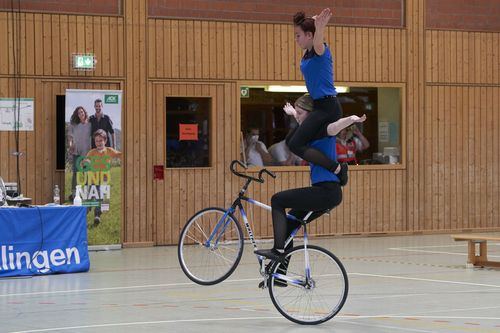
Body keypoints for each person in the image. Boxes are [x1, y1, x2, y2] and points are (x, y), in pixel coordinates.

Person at [255, 94, 366, 264]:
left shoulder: (324, 131)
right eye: (296, 113)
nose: (297, 117)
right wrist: (295, 115)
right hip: (324, 191)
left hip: (327, 191)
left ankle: (277, 250)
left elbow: (335, 126)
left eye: (300, 113)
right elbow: (296, 134)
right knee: (289, 223)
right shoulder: (308, 134)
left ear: (312, 115)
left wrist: (351, 119)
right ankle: (279, 274)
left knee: (277, 200)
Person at [285, 9, 346, 181]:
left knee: (297, 144)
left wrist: (320, 28)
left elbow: (318, 42)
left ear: (309, 35)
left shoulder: (321, 51)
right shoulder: (308, 54)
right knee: (290, 140)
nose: (295, 39)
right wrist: (310, 22)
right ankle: (334, 167)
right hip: (318, 106)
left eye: (298, 35)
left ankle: (337, 169)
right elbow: (312, 39)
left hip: (328, 108)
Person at [86, 129, 122, 226]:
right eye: (96, 141)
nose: (98, 143)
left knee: (100, 196)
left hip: (104, 179)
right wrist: (86, 162)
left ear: (105, 141)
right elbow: (85, 161)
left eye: (100, 141)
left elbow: (119, 155)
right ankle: (86, 210)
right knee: (91, 197)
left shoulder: (109, 150)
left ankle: (97, 215)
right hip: (93, 178)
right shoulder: (92, 152)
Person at [67, 106, 91, 201]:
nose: (81, 114)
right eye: (79, 113)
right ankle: (74, 194)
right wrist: (70, 145)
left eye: (82, 112)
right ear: (77, 115)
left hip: (87, 153)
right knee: (75, 174)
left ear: (84, 112)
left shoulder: (89, 124)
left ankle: (86, 193)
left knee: (86, 173)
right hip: (76, 153)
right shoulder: (73, 125)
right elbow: (70, 138)